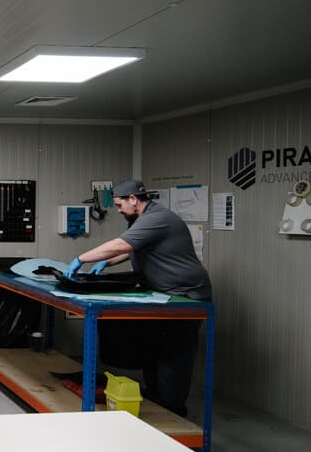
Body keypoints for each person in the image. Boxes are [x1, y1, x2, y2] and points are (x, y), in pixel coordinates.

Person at [63, 178, 212, 417]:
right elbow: (132, 248)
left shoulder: (158, 218)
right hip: (163, 294)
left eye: (120, 205)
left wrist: (81, 258)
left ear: (134, 199)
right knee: (155, 350)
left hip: (187, 296)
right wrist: (106, 261)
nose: (119, 210)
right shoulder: (144, 220)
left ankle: (173, 410)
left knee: (174, 354)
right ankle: (156, 399)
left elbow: (122, 244)